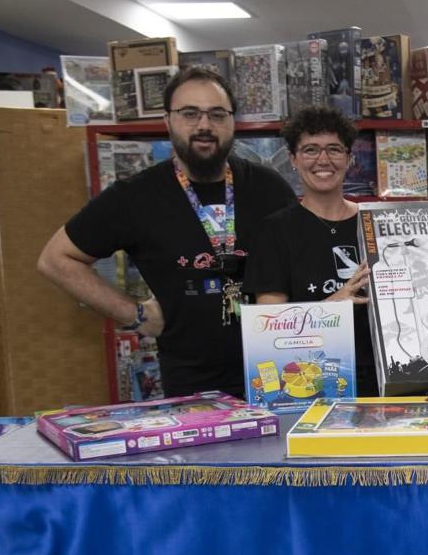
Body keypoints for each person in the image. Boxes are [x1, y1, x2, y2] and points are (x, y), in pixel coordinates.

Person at [38, 67, 296, 398]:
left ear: (233, 122)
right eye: (190, 114)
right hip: (192, 388)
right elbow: (55, 258)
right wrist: (134, 314)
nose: (204, 125)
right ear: (168, 120)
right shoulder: (135, 196)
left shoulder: (269, 187)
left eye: (217, 114)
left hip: (280, 373)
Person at [243, 105, 376, 394]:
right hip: (314, 382)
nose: (323, 160)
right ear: (293, 159)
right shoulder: (274, 231)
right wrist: (330, 308)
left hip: (382, 379)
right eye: (310, 150)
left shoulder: (375, 222)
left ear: (349, 159)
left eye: (334, 149)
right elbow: (267, 327)